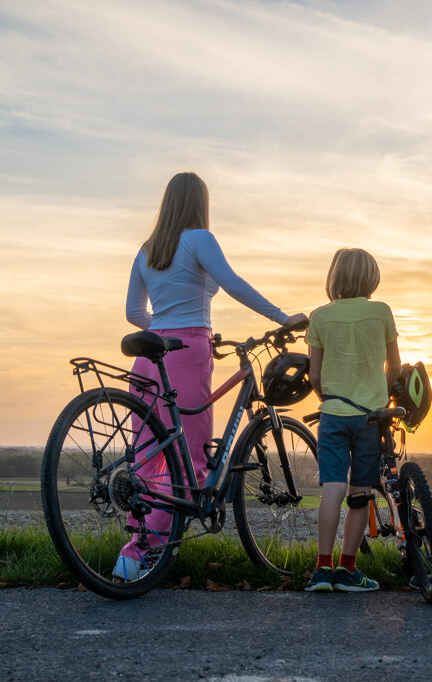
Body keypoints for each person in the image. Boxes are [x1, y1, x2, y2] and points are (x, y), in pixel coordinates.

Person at [115, 172, 307, 581]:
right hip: (186, 352)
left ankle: (133, 556)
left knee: (150, 456)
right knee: (190, 458)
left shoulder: (147, 250)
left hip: (149, 354)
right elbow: (232, 283)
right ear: (199, 203)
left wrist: (161, 327)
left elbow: (134, 312)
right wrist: (281, 316)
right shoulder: (200, 238)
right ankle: (150, 557)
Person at [304, 248, 401, 593]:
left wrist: (327, 398)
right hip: (371, 417)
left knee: (332, 487)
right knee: (361, 489)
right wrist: (381, 394)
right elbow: (396, 367)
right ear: (372, 278)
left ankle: (322, 569)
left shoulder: (320, 317)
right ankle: (348, 570)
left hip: (332, 414)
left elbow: (314, 374)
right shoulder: (381, 313)